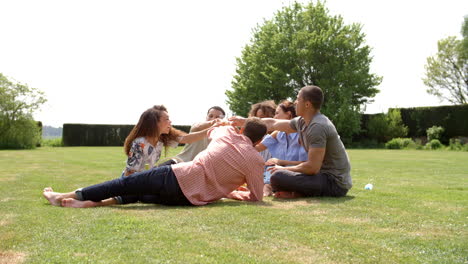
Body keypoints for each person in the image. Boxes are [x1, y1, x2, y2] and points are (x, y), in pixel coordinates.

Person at [42, 118, 267, 208]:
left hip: (179, 177)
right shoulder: (256, 161)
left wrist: (229, 122)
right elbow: (256, 196)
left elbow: (214, 130)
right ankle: (91, 204)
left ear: (241, 129)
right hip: (190, 200)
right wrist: (228, 192)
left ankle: (62, 196)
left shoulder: (227, 133)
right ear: (259, 140)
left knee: (125, 184)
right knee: (139, 194)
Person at [230, 85, 352, 198]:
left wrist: (283, 169)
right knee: (277, 177)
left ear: (307, 104)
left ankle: (297, 192)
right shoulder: (302, 122)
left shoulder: (317, 126)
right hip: (320, 177)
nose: (295, 102)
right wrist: (244, 121)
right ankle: (295, 192)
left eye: (298, 99)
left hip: (334, 183)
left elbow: (312, 167)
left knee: (278, 176)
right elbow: (273, 123)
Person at [255, 100, 308, 196]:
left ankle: (269, 189)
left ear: (288, 115)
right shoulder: (278, 133)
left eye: (277, 113)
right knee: (270, 172)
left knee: (274, 174)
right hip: (279, 173)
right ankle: (268, 188)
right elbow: (257, 148)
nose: (274, 117)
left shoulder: (302, 135)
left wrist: (281, 162)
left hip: (298, 173)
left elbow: (308, 164)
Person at [159, 106, 225, 166]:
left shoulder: (222, 136)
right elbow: (197, 126)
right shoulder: (198, 126)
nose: (213, 119)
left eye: (217, 117)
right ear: (206, 117)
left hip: (194, 169)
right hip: (178, 163)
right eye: (210, 116)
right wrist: (214, 122)